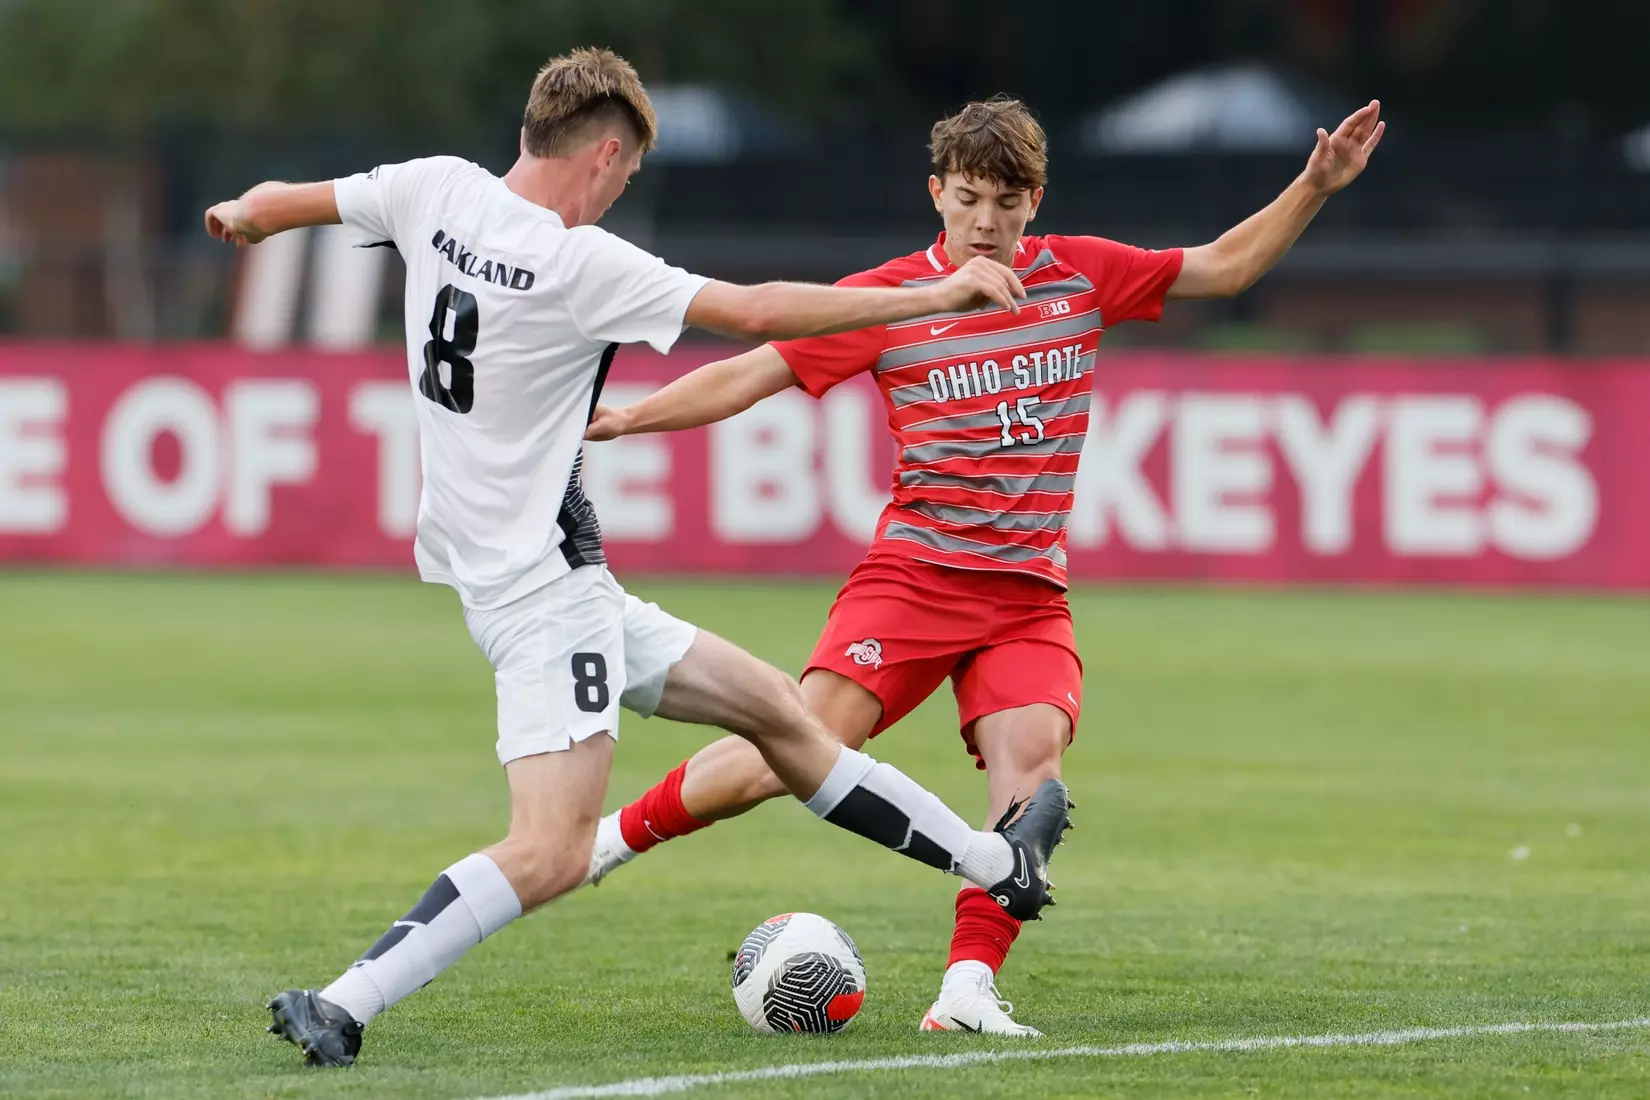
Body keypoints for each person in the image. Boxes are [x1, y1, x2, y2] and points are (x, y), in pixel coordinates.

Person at [203, 50, 1073, 1069]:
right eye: (627, 178)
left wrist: (243, 214)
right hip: (546, 597)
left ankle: (993, 859)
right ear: (605, 153)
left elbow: (277, 200)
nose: (620, 195)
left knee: (780, 712)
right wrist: (931, 300)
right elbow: (754, 312)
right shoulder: (582, 262)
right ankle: (344, 999)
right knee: (551, 848)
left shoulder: (434, 186)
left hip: (529, 577)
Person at [582, 94, 1385, 1036]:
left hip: (1026, 597)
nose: (986, 222)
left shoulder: (1080, 276)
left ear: (1034, 201)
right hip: (915, 581)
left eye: (1006, 202)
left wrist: (1314, 186)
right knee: (791, 746)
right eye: (968, 199)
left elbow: (1226, 267)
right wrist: (631, 417)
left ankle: (966, 989)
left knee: (1034, 779)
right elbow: (755, 370)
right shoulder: (892, 298)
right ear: (938, 193)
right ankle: (602, 842)